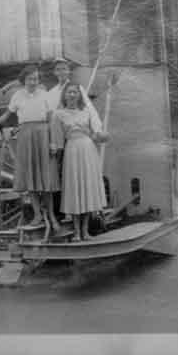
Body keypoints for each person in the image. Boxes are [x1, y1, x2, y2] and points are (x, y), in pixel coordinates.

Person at [0, 65, 61, 232]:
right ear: (24, 80)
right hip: (26, 137)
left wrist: (52, 142)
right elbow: (7, 115)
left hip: (43, 136)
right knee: (30, 179)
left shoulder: (45, 94)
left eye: (35, 79)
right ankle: (37, 215)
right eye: (30, 79)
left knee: (46, 181)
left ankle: (51, 216)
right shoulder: (17, 95)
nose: (33, 82)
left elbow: (51, 120)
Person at [51, 83, 109, 241]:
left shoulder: (87, 111)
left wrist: (101, 136)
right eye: (69, 92)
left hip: (88, 150)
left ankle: (85, 231)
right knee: (75, 190)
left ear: (79, 95)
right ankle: (76, 232)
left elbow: (95, 134)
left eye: (75, 92)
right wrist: (57, 158)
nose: (72, 95)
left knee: (87, 189)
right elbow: (57, 141)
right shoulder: (58, 114)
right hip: (71, 151)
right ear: (64, 95)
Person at [47, 57, 100, 219]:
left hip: (76, 137)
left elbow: (89, 110)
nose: (61, 72)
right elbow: (50, 117)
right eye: (58, 69)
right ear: (54, 72)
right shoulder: (51, 93)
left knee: (79, 173)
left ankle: (86, 210)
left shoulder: (77, 88)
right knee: (60, 173)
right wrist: (52, 141)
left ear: (69, 71)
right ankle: (65, 212)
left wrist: (96, 130)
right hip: (60, 137)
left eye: (64, 68)